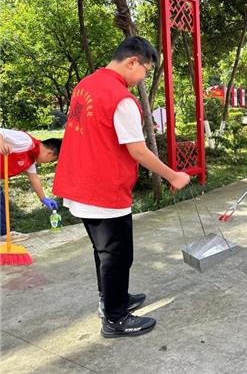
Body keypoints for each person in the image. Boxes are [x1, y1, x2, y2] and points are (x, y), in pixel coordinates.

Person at [53, 36, 190, 338]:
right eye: (146, 70)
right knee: (117, 255)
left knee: (104, 252)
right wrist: (173, 175)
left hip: (79, 184)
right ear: (132, 62)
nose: (143, 77)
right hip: (103, 189)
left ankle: (114, 299)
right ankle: (115, 318)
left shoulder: (85, 85)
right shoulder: (121, 98)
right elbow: (138, 151)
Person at [0, 129, 61, 242]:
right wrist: (1, 143)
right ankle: (3, 234)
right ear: (50, 154)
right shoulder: (26, 141)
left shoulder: (30, 158)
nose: (47, 163)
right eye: (51, 161)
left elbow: (34, 178)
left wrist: (43, 199)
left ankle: (3, 233)